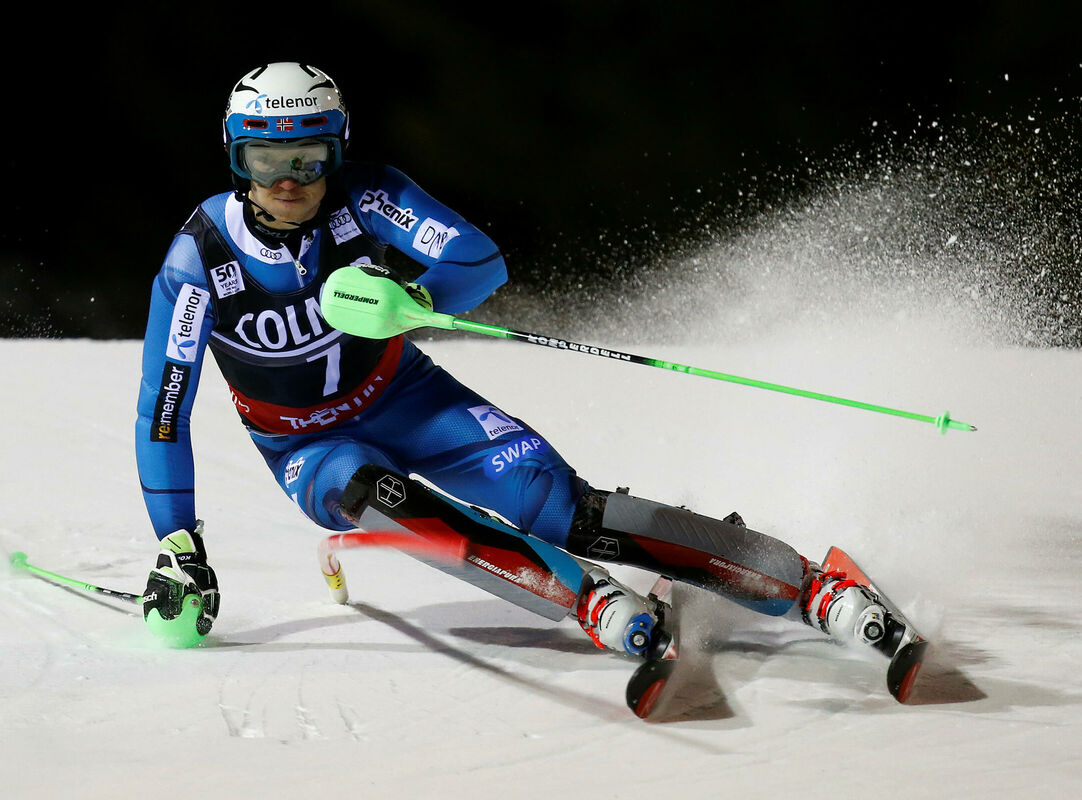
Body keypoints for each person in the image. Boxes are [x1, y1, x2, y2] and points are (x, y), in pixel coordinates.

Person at [136, 62, 890, 661]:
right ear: (236, 157)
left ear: (337, 151)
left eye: (308, 158)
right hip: (307, 445)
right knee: (374, 492)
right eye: (266, 159)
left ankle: (806, 585)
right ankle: (587, 599)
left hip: (407, 397)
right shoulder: (198, 261)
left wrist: (414, 294)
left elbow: (478, 259)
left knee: (554, 503)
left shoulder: (365, 197)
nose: (288, 181)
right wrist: (179, 544)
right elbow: (163, 413)